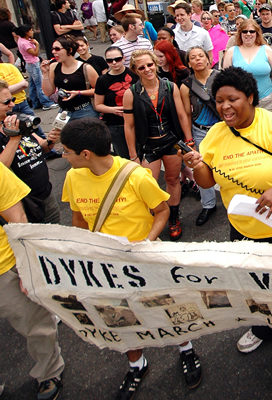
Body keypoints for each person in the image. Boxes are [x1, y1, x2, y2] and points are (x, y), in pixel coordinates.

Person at [181, 66, 272, 382]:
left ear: (251, 98)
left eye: (233, 99)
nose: (225, 107)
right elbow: (207, 181)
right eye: (219, 101)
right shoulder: (214, 135)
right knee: (253, 285)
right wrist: (197, 165)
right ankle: (263, 329)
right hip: (244, 226)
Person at [55, 117, 201, 400]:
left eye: (67, 151)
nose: (63, 156)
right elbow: (78, 221)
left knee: (168, 308)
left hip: (144, 260)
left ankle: (186, 349)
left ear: (85, 154)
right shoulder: (73, 177)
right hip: (106, 266)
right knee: (120, 317)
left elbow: (161, 211)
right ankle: (137, 364)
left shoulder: (136, 175)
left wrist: (147, 243)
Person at [0, 161, 64, 400]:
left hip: (4, 265)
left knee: (34, 324)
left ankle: (49, 371)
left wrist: (25, 267)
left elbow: (17, 219)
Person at [123, 50, 192, 241]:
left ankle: (173, 217)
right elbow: (128, 126)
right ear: (135, 70)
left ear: (155, 64)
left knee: (172, 179)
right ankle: (155, 216)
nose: (147, 70)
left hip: (171, 141)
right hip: (149, 145)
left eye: (150, 65)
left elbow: (181, 115)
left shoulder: (170, 87)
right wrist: (133, 155)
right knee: (147, 184)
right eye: (141, 67)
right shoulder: (131, 93)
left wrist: (188, 140)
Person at [0, 80, 60, 224]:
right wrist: (14, 139)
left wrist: (51, 140)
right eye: (6, 102)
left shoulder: (14, 120)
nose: (12, 105)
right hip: (24, 205)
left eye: (13, 99)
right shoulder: (12, 128)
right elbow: (2, 170)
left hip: (46, 195)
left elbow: (43, 146)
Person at [180, 46, 220, 225]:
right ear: (188, 63)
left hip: (222, 129)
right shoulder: (186, 86)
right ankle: (209, 204)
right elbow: (186, 115)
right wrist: (189, 140)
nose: (197, 60)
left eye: (201, 56)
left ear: (207, 58)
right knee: (200, 167)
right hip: (200, 131)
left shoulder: (221, 77)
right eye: (193, 57)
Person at [222, 19, 272, 113]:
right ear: (240, 33)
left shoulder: (266, 50)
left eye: (252, 31)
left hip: (267, 101)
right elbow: (225, 79)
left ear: (257, 33)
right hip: (241, 101)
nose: (248, 34)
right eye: (245, 31)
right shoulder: (231, 52)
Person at [41, 35, 99, 120]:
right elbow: (48, 92)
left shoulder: (86, 68)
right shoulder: (54, 66)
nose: (53, 52)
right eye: (52, 49)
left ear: (70, 50)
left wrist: (78, 92)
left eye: (57, 49)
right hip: (64, 112)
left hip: (84, 111)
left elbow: (99, 90)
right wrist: (45, 73)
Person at [94, 46, 138, 158]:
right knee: (124, 157)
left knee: (141, 154)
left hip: (137, 121)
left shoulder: (134, 74)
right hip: (115, 124)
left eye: (117, 59)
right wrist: (112, 110)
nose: (114, 63)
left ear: (123, 58)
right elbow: (98, 105)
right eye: (109, 60)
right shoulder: (102, 80)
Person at [15, 25, 58, 111]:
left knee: (33, 85)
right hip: (33, 64)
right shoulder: (24, 43)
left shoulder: (23, 40)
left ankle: (35, 102)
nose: (32, 32)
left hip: (31, 64)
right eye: (31, 30)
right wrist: (37, 44)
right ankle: (46, 103)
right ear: (26, 32)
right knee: (39, 84)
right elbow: (35, 53)